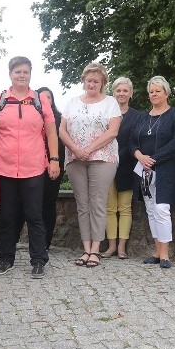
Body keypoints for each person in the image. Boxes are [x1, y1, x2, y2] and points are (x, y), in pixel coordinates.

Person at [0, 57, 60, 278]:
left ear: (30, 74)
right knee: (6, 215)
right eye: (18, 72)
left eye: (25, 72)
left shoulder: (40, 101)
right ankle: (6, 258)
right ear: (10, 74)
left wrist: (54, 160)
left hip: (33, 166)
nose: (21, 75)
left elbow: (52, 132)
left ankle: (38, 260)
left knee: (34, 214)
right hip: (3, 166)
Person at [59, 63, 121, 268]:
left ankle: (96, 250)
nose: (92, 83)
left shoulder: (110, 103)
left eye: (96, 80)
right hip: (75, 159)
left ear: (103, 82)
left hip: (103, 157)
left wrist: (89, 149)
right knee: (82, 204)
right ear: (83, 81)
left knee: (97, 203)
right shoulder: (71, 102)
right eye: (89, 80)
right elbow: (62, 131)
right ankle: (86, 249)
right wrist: (77, 150)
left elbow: (112, 131)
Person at [131, 76, 175, 269]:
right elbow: (132, 142)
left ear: (167, 93)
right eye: (151, 92)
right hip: (144, 169)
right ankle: (156, 251)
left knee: (162, 209)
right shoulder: (143, 118)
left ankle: (165, 254)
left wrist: (152, 159)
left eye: (158, 91)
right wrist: (140, 156)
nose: (154, 94)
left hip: (166, 169)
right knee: (151, 210)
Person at [14, 86, 67, 250]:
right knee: (23, 202)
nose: (45, 100)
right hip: (31, 165)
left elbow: (61, 144)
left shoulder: (60, 119)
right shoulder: (29, 116)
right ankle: (13, 239)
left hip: (53, 166)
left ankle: (45, 242)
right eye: (41, 97)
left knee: (48, 204)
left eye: (48, 97)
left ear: (52, 100)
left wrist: (55, 162)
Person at [101, 77, 144, 260]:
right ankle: (110, 246)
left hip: (128, 165)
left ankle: (121, 247)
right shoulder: (105, 113)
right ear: (113, 92)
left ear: (131, 93)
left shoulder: (138, 116)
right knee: (110, 207)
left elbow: (136, 140)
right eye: (118, 90)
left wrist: (122, 156)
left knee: (125, 208)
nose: (121, 94)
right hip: (107, 163)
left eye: (125, 90)